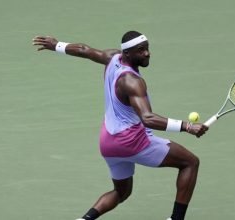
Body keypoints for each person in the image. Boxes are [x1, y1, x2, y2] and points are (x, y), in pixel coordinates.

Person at [32, 31, 208, 220]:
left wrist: (57, 45)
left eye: (147, 48)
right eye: (141, 50)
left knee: (121, 192)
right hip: (132, 142)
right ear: (128, 53)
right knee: (190, 162)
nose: (147, 53)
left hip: (108, 142)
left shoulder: (112, 57)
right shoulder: (132, 82)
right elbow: (147, 118)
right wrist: (186, 126)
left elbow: (84, 50)